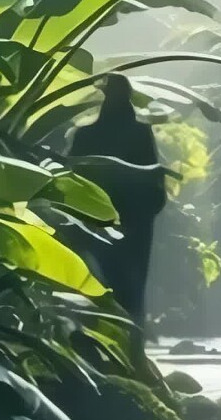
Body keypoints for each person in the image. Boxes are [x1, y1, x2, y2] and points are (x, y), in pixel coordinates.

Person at [68, 74, 168, 326]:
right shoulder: (139, 133)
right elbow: (154, 178)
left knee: (102, 277)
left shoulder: (86, 134)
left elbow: (72, 176)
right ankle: (129, 334)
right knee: (130, 282)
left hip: (102, 217)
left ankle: (107, 333)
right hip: (130, 219)